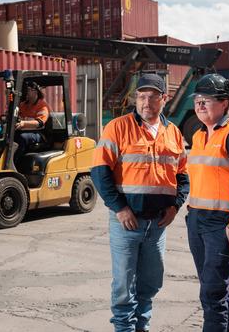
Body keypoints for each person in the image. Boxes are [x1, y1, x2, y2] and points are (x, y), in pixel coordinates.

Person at [91, 73, 189, 332]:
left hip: (157, 224)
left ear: (164, 99)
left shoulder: (174, 133)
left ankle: (142, 327)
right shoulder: (118, 127)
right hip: (127, 222)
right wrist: (119, 208)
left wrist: (175, 205)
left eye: (153, 97)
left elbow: (182, 175)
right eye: (141, 96)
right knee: (124, 285)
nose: (146, 102)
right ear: (136, 99)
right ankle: (124, 328)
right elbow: (99, 171)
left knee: (151, 282)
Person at [186, 74, 229, 332]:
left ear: (224, 103)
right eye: (197, 101)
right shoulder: (197, 134)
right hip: (196, 220)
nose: (200, 105)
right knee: (214, 286)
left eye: (206, 101)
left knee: (211, 294)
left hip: (221, 223)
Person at [14, 81, 50, 161]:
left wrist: (23, 123)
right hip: (23, 130)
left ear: (35, 91)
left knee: (21, 138)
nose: (26, 92)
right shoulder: (23, 105)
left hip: (38, 133)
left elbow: (40, 123)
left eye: (29, 89)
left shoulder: (42, 106)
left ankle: (16, 161)